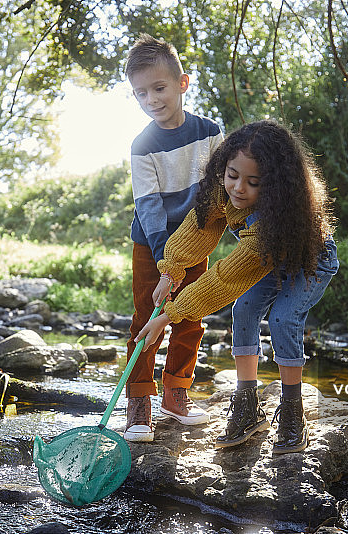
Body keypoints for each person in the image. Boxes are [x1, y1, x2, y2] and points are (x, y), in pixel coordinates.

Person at [135, 119, 339, 453]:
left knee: (283, 320)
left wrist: (170, 315)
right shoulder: (223, 190)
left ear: (274, 187)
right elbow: (198, 229)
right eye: (232, 175)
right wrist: (169, 272)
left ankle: (292, 413)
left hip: (309, 263)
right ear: (223, 167)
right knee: (243, 310)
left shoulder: (272, 223)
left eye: (253, 182)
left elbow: (225, 278)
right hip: (267, 264)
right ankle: (247, 405)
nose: (238, 188)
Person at [123, 34, 224, 443]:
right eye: (140, 93)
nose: (150, 99)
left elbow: (223, 191)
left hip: (196, 241)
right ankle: (139, 399)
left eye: (158, 88)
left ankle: (176, 393)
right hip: (152, 244)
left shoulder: (211, 132)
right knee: (147, 319)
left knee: (190, 317)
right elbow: (148, 207)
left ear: (182, 83)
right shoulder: (142, 145)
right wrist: (168, 263)